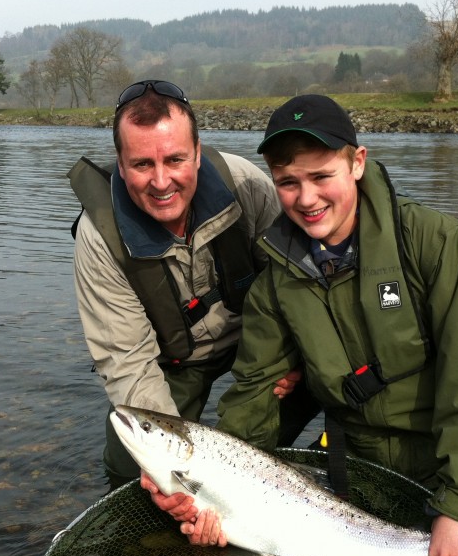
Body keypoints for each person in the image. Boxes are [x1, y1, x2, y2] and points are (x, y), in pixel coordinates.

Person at [148, 94, 458, 556]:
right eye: (288, 183)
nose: (306, 199)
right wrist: (213, 495)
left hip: (452, 462)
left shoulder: (436, 244)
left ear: (357, 163)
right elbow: (253, 394)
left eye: (321, 176)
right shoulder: (273, 284)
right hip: (359, 473)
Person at [70, 80, 319, 487]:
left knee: (258, 436)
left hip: (255, 342)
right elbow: (127, 361)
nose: (162, 181)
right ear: (120, 162)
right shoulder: (98, 238)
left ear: (198, 154)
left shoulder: (244, 185)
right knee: (131, 469)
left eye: (175, 160)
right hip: (174, 360)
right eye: (142, 165)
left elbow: (296, 284)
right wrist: (164, 467)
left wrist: (293, 357)